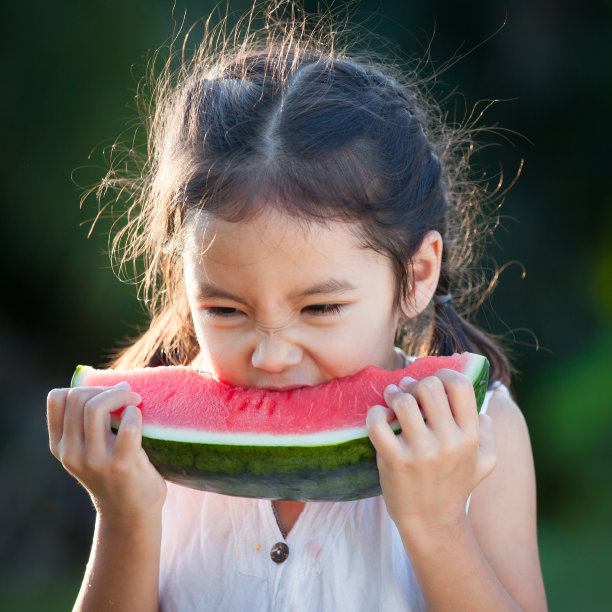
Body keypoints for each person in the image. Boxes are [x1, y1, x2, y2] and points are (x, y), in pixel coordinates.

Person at [46, 4, 547, 610]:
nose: (273, 354)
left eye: (320, 309)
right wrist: (124, 515)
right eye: (226, 311)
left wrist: (438, 526)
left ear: (415, 274)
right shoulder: (146, 448)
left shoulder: (483, 437)